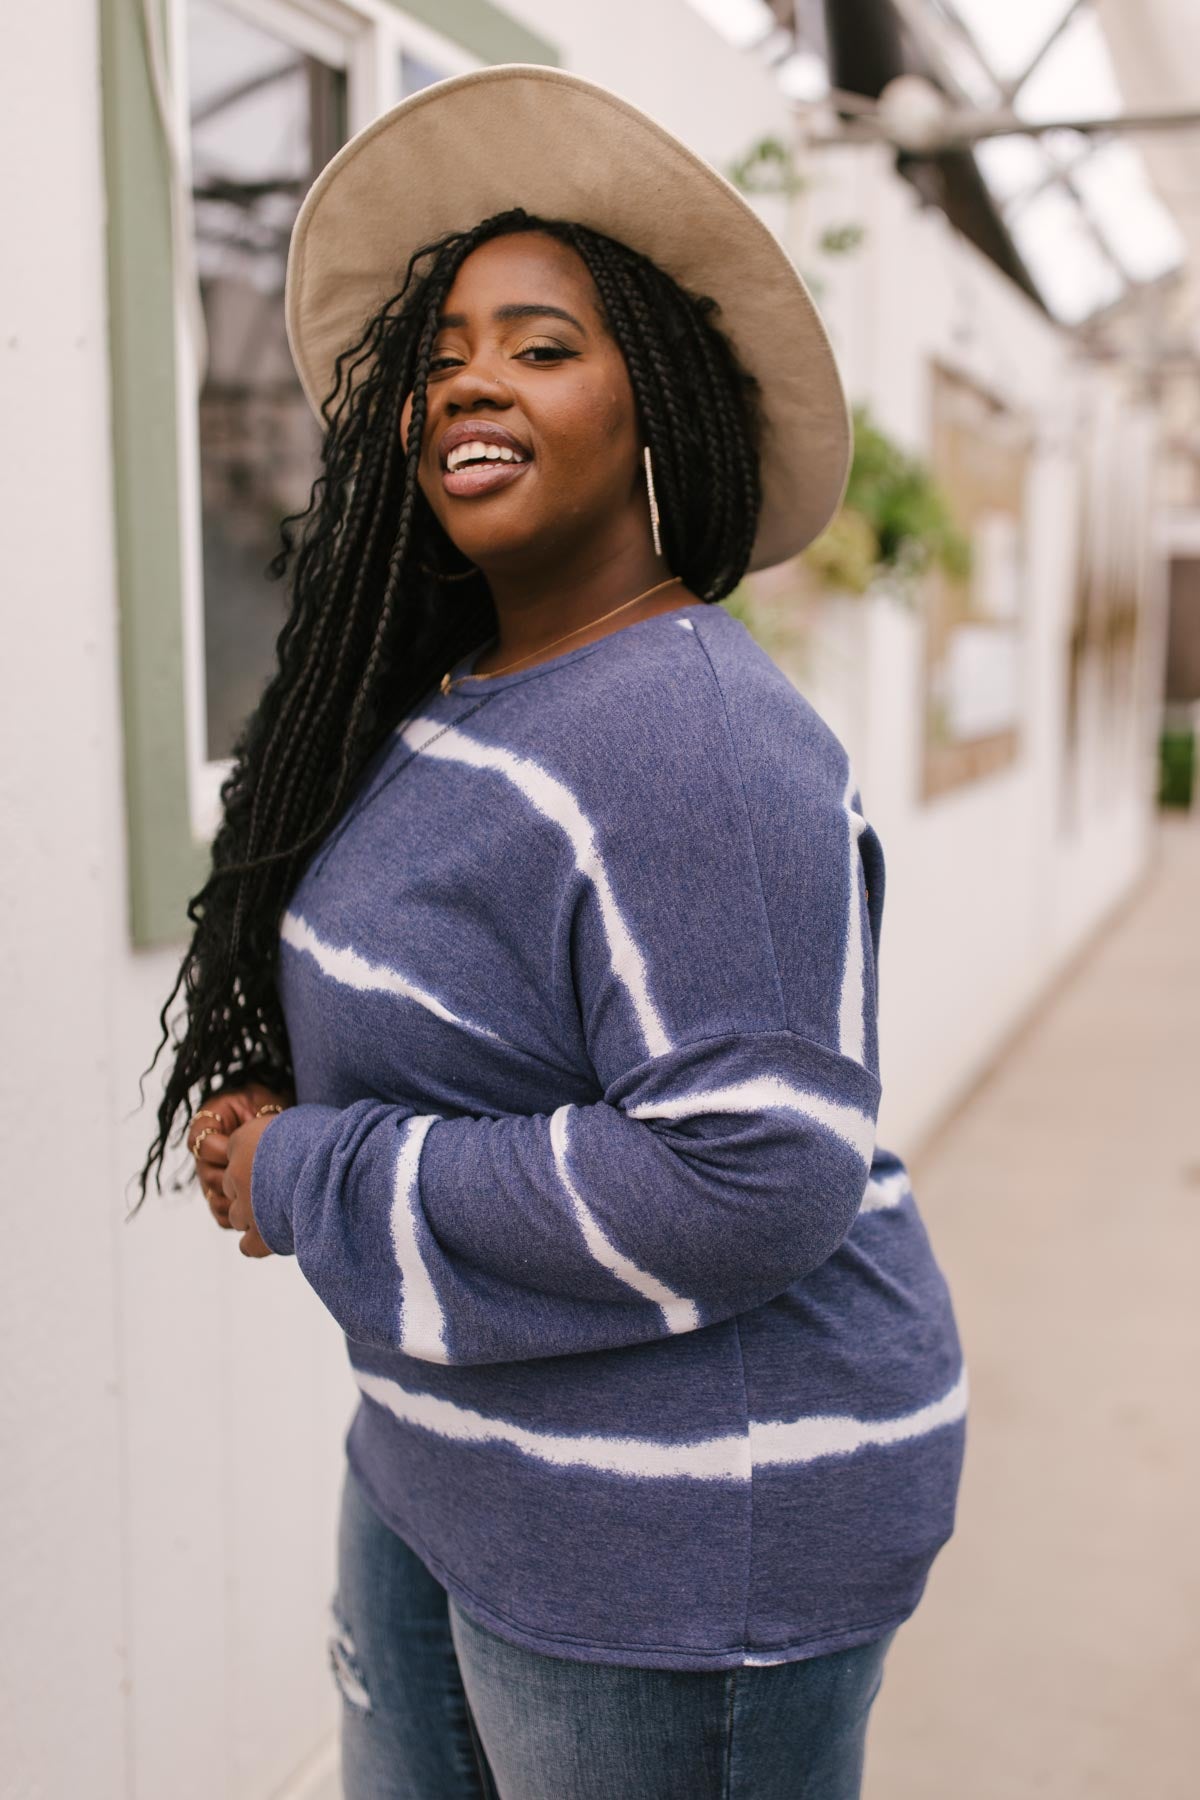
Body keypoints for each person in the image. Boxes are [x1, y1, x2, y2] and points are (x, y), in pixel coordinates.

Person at [137, 65, 967, 1800]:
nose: (468, 382)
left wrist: (308, 1170)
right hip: (451, 1455)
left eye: (541, 345)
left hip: (678, 1535)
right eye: (440, 353)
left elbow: (750, 1176)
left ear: (655, 405)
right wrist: (289, 1098)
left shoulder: (690, 735)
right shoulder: (467, 695)